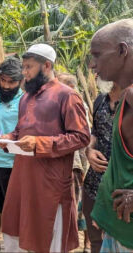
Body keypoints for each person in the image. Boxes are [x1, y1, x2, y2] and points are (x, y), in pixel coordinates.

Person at [0, 44, 90, 252]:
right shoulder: (25, 98)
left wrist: (40, 144)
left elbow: (81, 137)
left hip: (50, 183)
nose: (24, 72)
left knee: (48, 239)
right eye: (24, 67)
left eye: (29, 67)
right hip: (22, 179)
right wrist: (8, 139)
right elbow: (20, 131)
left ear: (47, 66)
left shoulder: (67, 96)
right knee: (16, 232)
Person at [89, 19, 133, 251]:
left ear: (122, 51)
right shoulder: (124, 96)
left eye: (97, 55)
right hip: (116, 228)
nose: (91, 64)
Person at [0, 57, 24, 251]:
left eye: (12, 82)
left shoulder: (25, 101)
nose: (6, 86)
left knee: (13, 209)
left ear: (21, 81)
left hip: (12, 164)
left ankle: (13, 246)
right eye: (3, 81)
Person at [83, 79, 121, 252]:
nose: (97, 71)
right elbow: (95, 132)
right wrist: (89, 151)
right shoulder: (100, 100)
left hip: (123, 188)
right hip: (94, 185)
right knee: (96, 240)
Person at [57, 72, 91, 251]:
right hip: (73, 161)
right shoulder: (68, 101)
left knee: (77, 204)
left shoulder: (74, 102)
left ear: (70, 87)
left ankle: (83, 243)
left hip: (76, 162)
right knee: (75, 204)